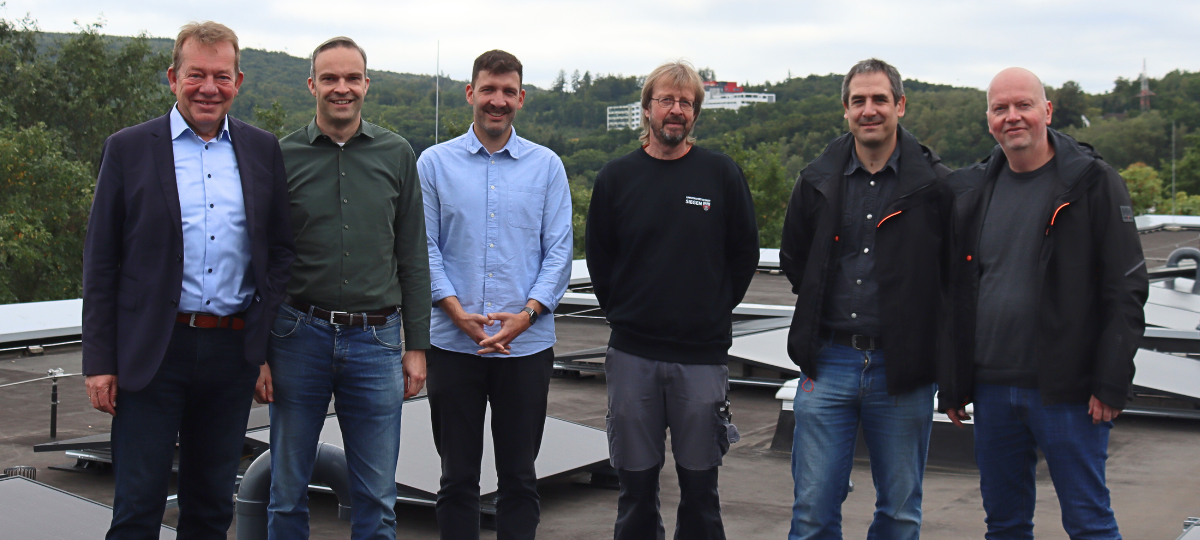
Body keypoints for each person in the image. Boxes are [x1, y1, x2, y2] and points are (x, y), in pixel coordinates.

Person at [82, 21, 295, 539]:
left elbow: (280, 253)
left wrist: (261, 345)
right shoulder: (129, 148)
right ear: (172, 77)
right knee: (137, 506)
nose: (208, 87)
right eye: (195, 74)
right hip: (153, 352)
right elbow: (101, 261)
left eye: (221, 76)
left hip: (230, 353)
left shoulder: (262, 150)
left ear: (239, 82)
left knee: (210, 507)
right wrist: (99, 363)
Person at [940, 67, 1148, 539]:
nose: (1012, 117)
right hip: (991, 391)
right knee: (1005, 525)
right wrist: (954, 381)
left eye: (1024, 105)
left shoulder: (1093, 183)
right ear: (989, 119)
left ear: (1047, 111)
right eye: (1000, 109)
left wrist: (1111, 380)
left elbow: (1126, 288)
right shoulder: (972, 190)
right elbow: (956, 291)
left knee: (1088, 522)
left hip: (1069, 393)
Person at [261, 36, 431, 540]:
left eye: (352, 78)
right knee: (286, 491)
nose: (342, 89)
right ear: (312, 84)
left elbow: (413, 257)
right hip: (297, 337)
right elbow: (263, 258)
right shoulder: (280, 155)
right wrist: (258, 352)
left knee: (377, 498)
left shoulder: (397, 154)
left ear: (366, 85)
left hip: (376, 342)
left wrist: (416, 347)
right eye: (330, 78)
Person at [779, 58, 954, 540]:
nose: (869, 110)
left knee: (899, 513)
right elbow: (797, 261)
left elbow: (951, 278)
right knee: (813, 509)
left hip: (903, 368)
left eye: (880, 99)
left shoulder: (935, 187)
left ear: (900, 105)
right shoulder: (815, 180)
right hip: (828, 360)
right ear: (845, 110)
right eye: (859, 101)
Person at [585, 60, 759, 540]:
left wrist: (711, 309)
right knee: (635, 491)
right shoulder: (616, 178)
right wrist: (624, 312)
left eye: (686, 102)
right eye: (666, 99)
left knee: (702, 493)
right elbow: (599, 257)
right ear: (646, 109)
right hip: (632, 356)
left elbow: (743, 253)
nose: (676, 110)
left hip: (700, 359)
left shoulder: (720, 174)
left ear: (695, 114)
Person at [417, 49, 572, 540]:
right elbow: (423, 246)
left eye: (508, 92)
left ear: (521, 98)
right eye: (488, 89)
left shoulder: (547, 167)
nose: (497, 101)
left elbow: (559, 252)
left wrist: (526, 315)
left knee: (521, 480)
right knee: (456, 479)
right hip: (452, 344)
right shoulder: (434, 164)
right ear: (470, 93)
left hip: (525, 348)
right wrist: (457, 311)